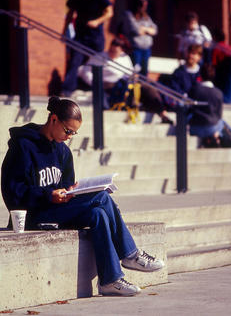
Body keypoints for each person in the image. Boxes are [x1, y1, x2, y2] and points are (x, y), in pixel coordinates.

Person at [1, 96, 164, 296]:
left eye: (74, 133)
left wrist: (72, 191)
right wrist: (47, 195)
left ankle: (110, 280)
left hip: (56, 211)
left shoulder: (63, 152)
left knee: (98, 214)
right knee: (102, 198)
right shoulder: (23, 147)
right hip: (32, 216)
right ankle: (130, 254)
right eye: (67, 130)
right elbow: (12, 191)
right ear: (53, 119)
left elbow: (65, 188)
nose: (69, 136)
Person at [78, 37, 173, 124]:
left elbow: (130, 73)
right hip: (107, 85)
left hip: (125, 85)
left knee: (148, 88)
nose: (112, 53)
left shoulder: (125, 58)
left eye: (115, 52)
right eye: (111, 50)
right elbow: (84, 70)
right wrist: (96, 82)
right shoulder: (99, 57)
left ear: (121, 51)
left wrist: (134, 77)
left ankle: (162, 113)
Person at [61, 0, 113, 96]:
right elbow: (70, 13)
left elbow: (109, 12)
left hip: (95, 36)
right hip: (80, 35)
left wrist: (97, 21)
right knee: (75, 62)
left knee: (95, 65)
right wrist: (64, 30)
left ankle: (97, 92)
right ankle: (67, 90)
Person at [188, 63, 231, 148]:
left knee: (218, 122)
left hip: (195, 128)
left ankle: (216, 139)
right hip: (212, 128)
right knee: (220, 122)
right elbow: (219, 115)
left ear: (200, 75)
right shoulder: (218, 93)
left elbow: (188, 109)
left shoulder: (194, 90)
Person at [121, 0, 158, 76]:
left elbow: (154, 30)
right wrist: (147, 30)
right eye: (142, 6)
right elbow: (136, 30)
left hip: (146, 49)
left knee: (144, 72)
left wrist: (144, 29)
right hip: (135, 49)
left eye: (145, 6)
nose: (144, 8)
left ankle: (142, 89)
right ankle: (133, 89)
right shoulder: (129, 15)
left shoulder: (145, 16)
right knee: (134, 72)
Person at [160, 44, 203, 110]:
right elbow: (174, 88)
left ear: (199, 57)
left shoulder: (203, 73)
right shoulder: (178, 72)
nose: (190, 56)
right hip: (181, 104)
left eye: (194, 54)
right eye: (189, 53)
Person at [211, 28, 231, 93]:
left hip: (220, 71)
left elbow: (214, 62)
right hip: (228, 71)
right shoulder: (228, 47)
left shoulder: (217, 47)